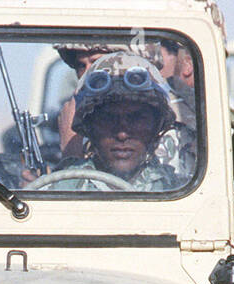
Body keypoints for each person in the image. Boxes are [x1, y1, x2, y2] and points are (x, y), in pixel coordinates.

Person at [41, 52, 181, 191]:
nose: (122, 134)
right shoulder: (58, 191)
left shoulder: (178, 191)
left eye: (136, 119)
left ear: (156, 127)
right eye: (108, 119)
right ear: (89, 127)